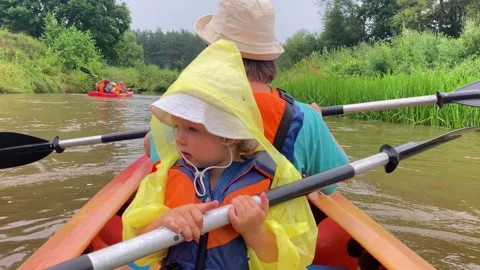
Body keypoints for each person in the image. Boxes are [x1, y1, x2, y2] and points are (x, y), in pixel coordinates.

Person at [123, 40, 317, 270]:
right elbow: (136, 247)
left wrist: (255, 231)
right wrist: (164, 222)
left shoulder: (275, 178)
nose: (179, 139)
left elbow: (291, 261)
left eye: (192, 129)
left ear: (230, 135)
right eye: (177, 127)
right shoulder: (166, 175)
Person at [145, 0, 348, 199]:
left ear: (209, 55)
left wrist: (150, 136)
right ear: (268, 58)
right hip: (272, 228)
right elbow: (335, 179)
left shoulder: (184, 108)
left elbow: (151, 148)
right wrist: (318, 120)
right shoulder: (306, 118)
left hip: (192, 224)